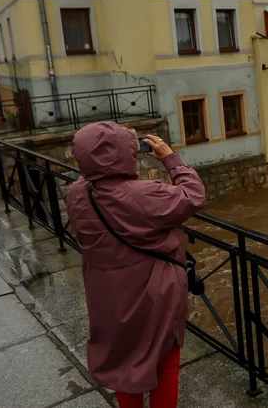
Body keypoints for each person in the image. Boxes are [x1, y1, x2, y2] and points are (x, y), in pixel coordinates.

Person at [65, 122, 205, 408]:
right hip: (152, 294)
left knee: (123, 365)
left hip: (106, 295)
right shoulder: (144, 195)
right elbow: (194, 195)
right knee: (164, 364)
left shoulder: (76, 194)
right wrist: (170, 157)